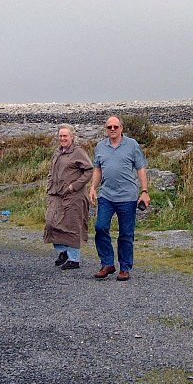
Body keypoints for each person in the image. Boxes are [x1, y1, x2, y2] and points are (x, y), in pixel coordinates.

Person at [89, 115, 150, 280]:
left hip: (128, 197)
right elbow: (97, 169)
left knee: (126, 234)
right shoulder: (100, 147)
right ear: (106, 129)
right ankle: (107, 264)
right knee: (100, 227)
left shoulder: (132, 145)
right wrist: (93, 188)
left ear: (122, 128)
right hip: (106, 195)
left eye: (116, 126)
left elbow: (141, 168)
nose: (113, 129)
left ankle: (125, 268)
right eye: (109, 127)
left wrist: (144, 191)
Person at [43, 124, 94, 270]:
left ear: (72, 137)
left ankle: (74, 259)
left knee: (72, 225)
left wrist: (74, 186)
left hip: (74, 196)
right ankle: (63, 251)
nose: (62, 138)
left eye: (65, 136)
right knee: (51, 223)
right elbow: (52, 171)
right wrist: (50, 184)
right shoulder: (57, 152)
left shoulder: (78, 152)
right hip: (56, 195)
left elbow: (89, 171)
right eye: (60, 136)